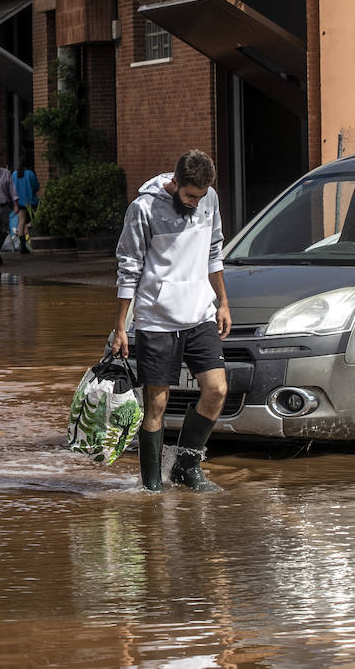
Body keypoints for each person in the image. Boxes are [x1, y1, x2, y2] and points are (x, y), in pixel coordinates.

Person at [112, 149, 231, 493]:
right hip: (156, 319)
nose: (196, 203)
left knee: (217, 390)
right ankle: (150, 485)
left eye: (202, 196)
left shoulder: (209, 200)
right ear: (175, 182)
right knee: (158, 404)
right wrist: (121, 326)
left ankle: (185, 468)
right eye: (190, 195)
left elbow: (214, 251)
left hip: (200, 315)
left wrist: (222, 302)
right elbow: (128, 268)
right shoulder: (143, 209)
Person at [13, 161, 40, 254]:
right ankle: (34, 243)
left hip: (19, 202)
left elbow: (11, 188)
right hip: (31, 202)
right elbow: (36, 187)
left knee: (21, 222)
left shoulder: (14, 174)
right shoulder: (30, 174)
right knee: (34, 221)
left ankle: (23, 246)